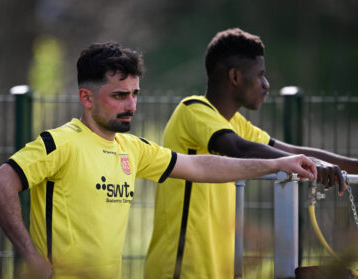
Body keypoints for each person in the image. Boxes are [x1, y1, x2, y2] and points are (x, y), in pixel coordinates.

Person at [0, 42, 317, 279]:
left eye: (135, 94)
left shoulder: (133, 148)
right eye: (119, 95)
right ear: (86, 97)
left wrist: (277, 164)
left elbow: (201, 165)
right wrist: (32, 257)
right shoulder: (61, 142)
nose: (131, 104)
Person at [145, 28, 358, 279]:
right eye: (260, 75)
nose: (266, 84)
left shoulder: (237, 124)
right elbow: (239, 149)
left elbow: (291, 151)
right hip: (180, 269)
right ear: (235, 76)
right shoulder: (192, 109)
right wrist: (307, 164)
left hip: (217, 270)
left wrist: (344, 164)